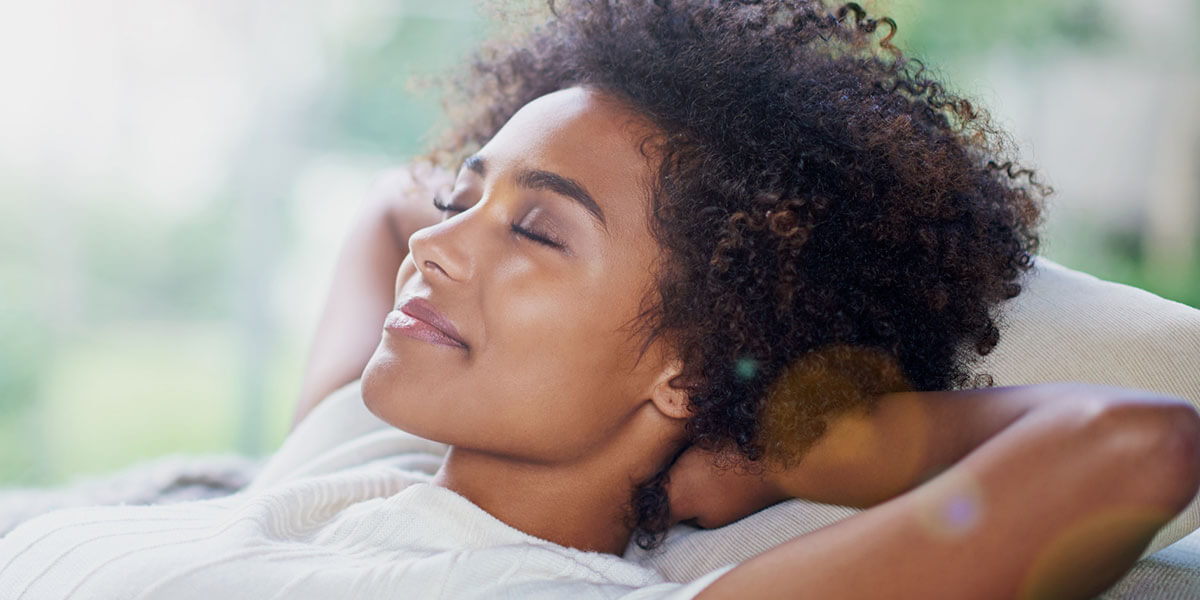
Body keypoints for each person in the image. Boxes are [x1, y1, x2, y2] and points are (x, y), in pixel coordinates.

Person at [2, 1, 1198, 598]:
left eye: (535, 227)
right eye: (468, 195)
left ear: (686, 368)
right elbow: (387, 209)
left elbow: (1135, 444)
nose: (446, 246)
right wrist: (501, 214)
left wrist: (777, 442)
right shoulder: (344, 450)